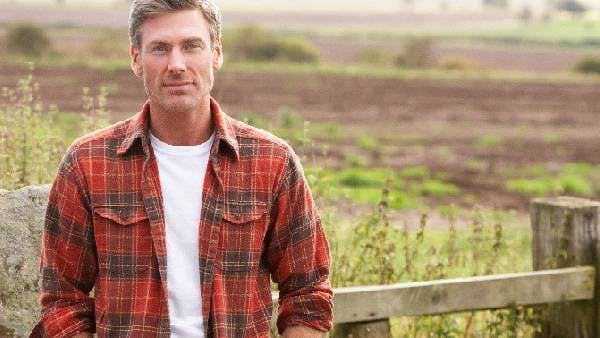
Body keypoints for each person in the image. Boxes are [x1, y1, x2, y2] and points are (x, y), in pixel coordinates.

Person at [30, 0, 333, 337]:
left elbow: (308, 292)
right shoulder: (88, 163)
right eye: (160, 48)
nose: (176, 64)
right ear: (136, 59)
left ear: (216, 54)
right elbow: (62, 299)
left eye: (191, 46)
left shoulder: (271, 161)